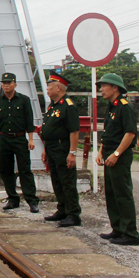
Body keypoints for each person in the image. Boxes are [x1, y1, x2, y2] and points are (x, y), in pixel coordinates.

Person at [95, 73, 139, 245]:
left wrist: (116, 154)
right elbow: (107, 133)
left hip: (119, 155)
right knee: (111, 193)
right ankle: (118, 229)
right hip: (109, 154)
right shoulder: (111, 107)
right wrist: (100, 152)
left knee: (123, 193)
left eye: (104, 86)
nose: (101, 89)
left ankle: (130, 234)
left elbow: (130, 133)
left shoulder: (124, 106)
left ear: (115, 87)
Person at [0, 72, 39, 212]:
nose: (6, 85)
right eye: (4, 83)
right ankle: (12, 198)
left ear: (15, 84)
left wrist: (30, 139)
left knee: (25, 169)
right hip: (4, 139)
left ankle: (31, 200)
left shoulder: (23, 100)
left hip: (19, 138)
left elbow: (29, 121)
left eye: (9, 83)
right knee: (6, 170)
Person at [40, 72, 81, 227]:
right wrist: (45, 149)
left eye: (49, 87)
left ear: (58, 88)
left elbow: (74, 131)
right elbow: (48, 129)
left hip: (62, 148)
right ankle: (62, 209)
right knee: (56, 180)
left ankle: (73, 214)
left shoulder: (68, 105)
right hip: (51, 147)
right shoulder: (52, 106)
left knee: (67, 181)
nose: (47, 90)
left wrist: (72, 152)